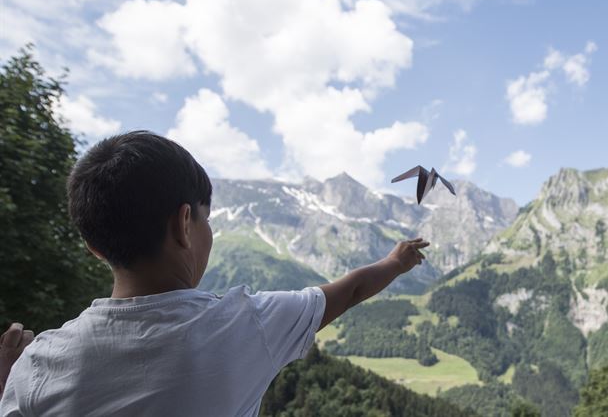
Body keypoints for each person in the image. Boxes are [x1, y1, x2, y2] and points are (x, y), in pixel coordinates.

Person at [0, 131, 429, 416]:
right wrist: (396, 262)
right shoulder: (249, 324)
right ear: (183, 224)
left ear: (94, 248)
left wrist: (10, 383)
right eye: (206, 220)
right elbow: (349, 291)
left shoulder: (38, 363)